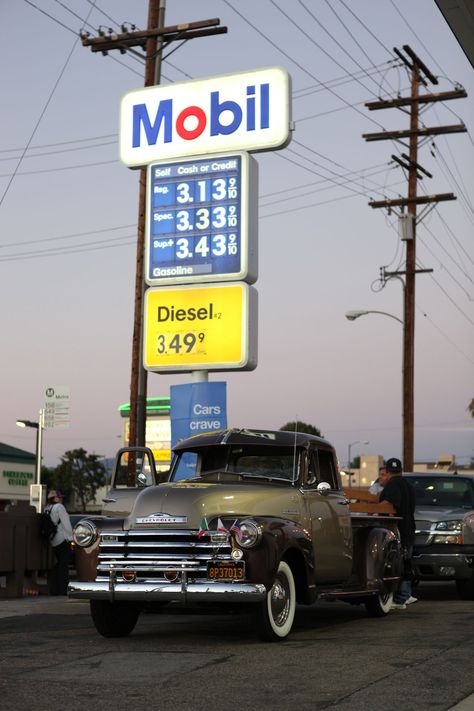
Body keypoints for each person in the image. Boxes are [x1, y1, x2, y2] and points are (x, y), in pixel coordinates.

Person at [378, 457, 417, 610]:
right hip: (409, 528)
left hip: (398, 530)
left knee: (397, 563)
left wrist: (372, 511)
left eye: (384, 474)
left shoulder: (393, 484)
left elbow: (389, 504)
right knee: (406, 562)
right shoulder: (408, 484)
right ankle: (406, 595)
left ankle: (400, 598)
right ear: (401, 470)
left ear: (387, 472)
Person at [45, 490, 73, 596]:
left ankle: (55, 590)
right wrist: (71, 538)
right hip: (62, 539)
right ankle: (63, 589)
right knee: (63, 565)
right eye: (59, 497)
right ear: (54, 498)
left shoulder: (47, 508)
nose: (61, 499)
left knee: (56, 566)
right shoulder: (59, 507)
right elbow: (66, 523)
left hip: (53, 540)